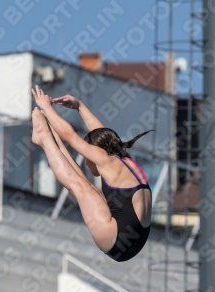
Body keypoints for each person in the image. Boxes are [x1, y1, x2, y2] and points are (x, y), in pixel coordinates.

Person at [31, 85, 154, 262]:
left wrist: (47, 107)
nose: (87, 163)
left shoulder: (104, 159)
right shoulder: (123, 159)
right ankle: (50, 138)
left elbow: (70, 135)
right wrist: (79, 106)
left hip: (117, 241)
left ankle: (44, 136)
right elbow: (103, 134)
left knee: (81, 186)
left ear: (96, 152)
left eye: (87, 157)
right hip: (134, 242)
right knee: (86, 188)